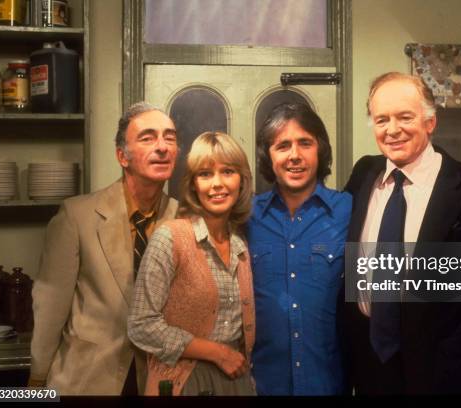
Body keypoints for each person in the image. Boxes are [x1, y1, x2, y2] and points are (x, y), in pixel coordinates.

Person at [343, 72, 461, 394]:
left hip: (445, 375)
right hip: (370, 368)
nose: (392, 130)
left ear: (430, 122)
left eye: (404, 117)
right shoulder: (363, 174)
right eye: (381, 119)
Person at [28, 102, 179, 395]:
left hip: (159, 378)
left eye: (170, 137)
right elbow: (49, 306)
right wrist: (37, 379)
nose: (162, 147)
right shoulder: (77, 215)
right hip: (87, 378)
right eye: (148, 137)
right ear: (122, 156)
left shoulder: (184, 218)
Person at [127, 131, 256, 396]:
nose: (217, 184)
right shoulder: (171, 237)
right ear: (193, 184)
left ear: (241, 182)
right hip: (181, 381)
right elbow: (141, 326)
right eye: (205, 174)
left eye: (228, 172)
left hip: (236, 380)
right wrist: (217, 353)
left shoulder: (242, 246)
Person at [247, 103, 352, 395]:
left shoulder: (350, 210)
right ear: (268, 156)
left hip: (329, 384)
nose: (295, 155)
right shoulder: (245, 217)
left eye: (305, 143)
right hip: (261, 387)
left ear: (320, 150)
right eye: (283, 146)